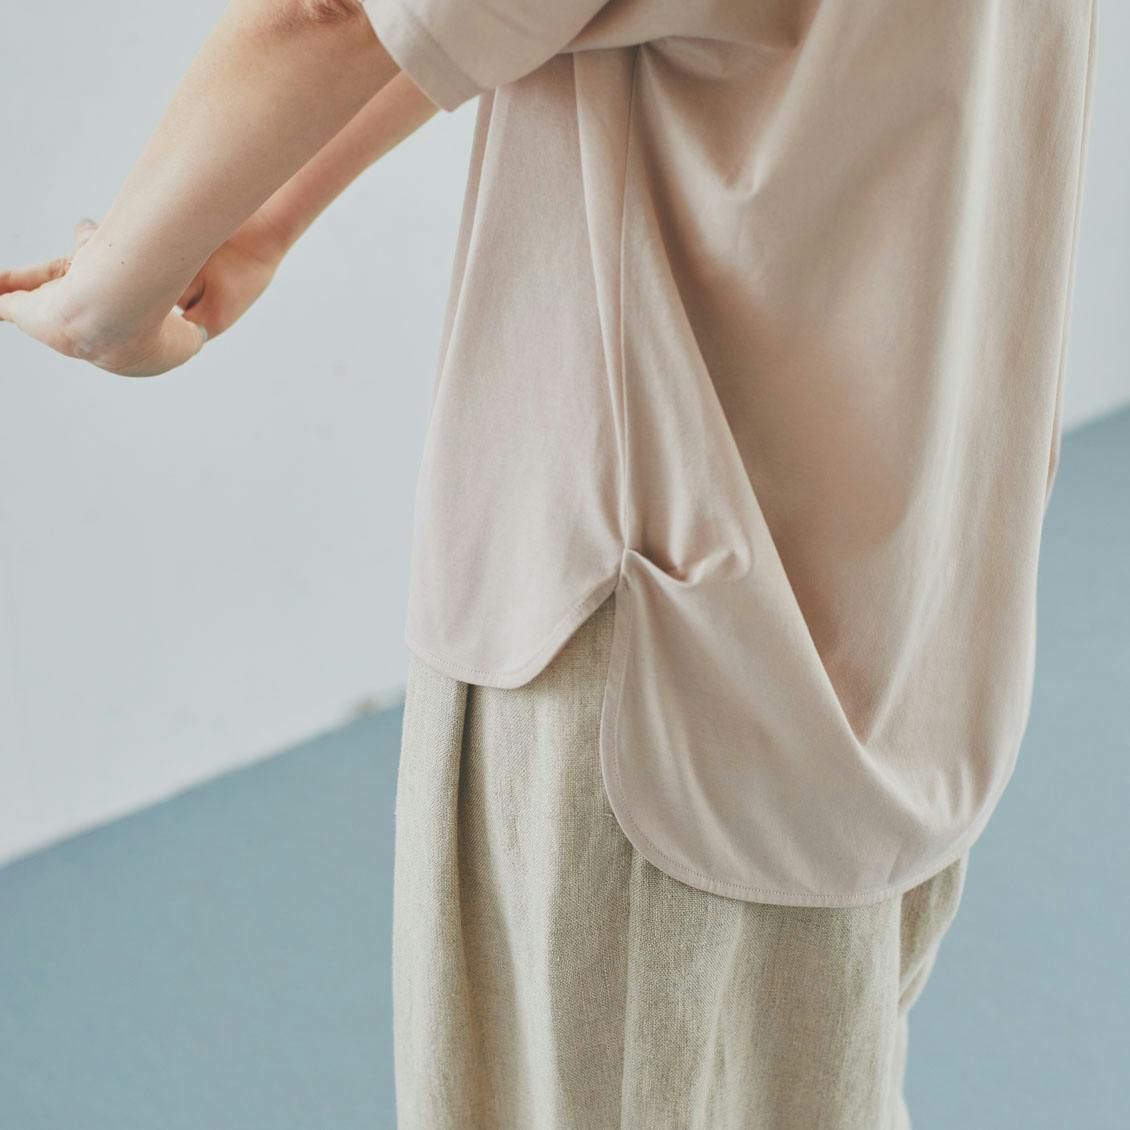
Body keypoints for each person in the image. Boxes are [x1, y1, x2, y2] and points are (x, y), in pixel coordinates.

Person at [0, 0, 1099, 1125]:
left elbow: (326, 16)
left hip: (650, 663)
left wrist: (110, 295)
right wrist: (261, 222)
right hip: (901, 618)